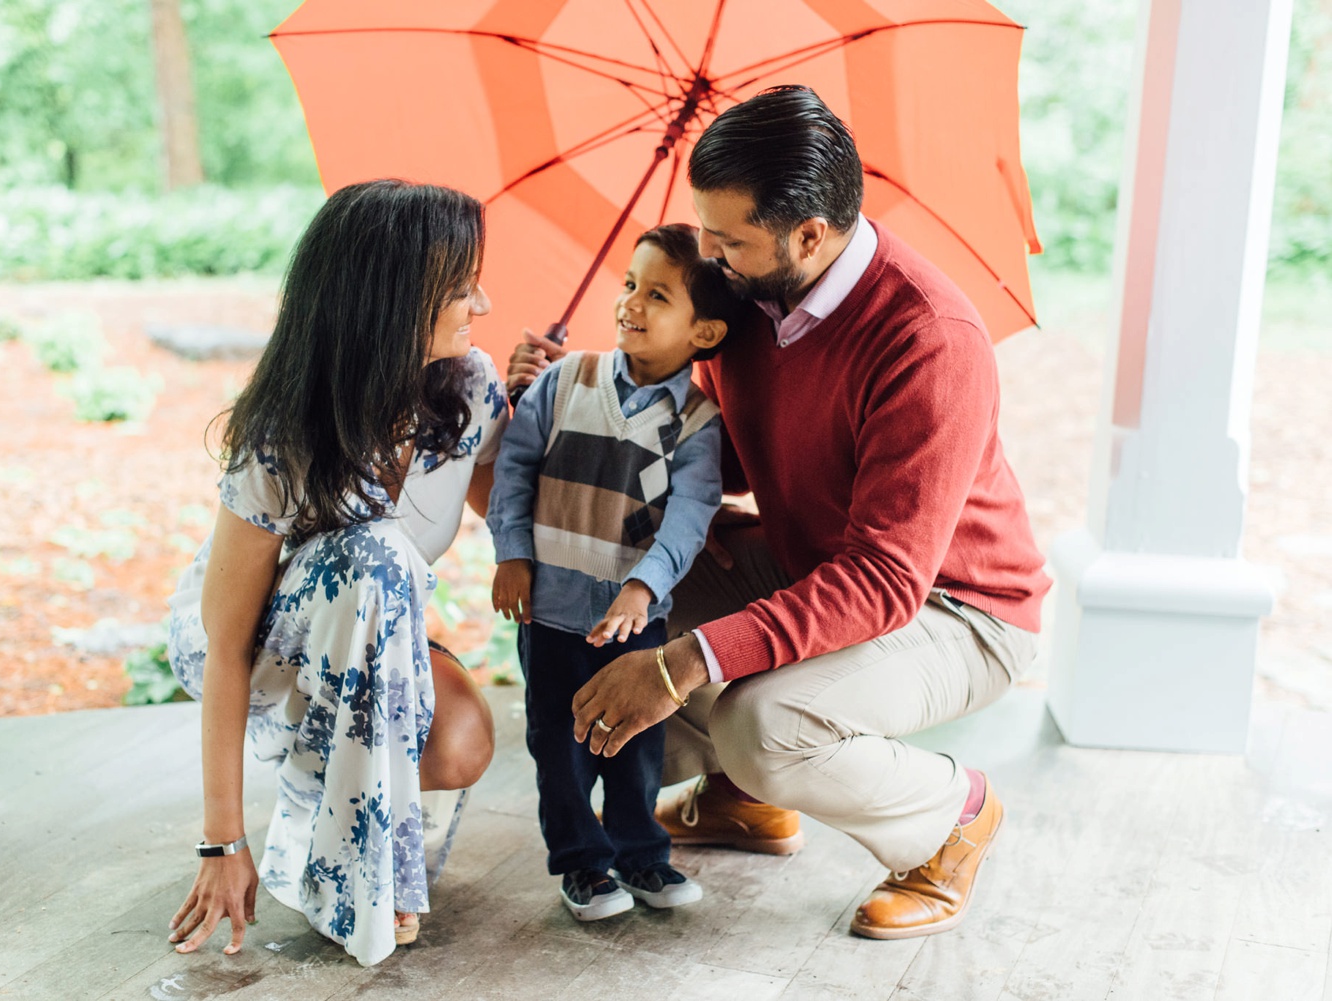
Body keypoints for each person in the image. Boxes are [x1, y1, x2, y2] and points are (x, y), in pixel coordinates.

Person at [507, 85, 1051, 940]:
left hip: (955, 606)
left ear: (809, 235)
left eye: (730, 241)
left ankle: (951, 820)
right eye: (707, 233)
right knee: (594, 609)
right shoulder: (748, 299)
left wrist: (685, 661)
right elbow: (702, 459)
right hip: (806, 559)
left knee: (761, 722)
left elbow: (882, 579)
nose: (710, 258)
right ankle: (744, 798)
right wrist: (568, 401)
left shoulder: (929, 336)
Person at [164, 179, 510, 966]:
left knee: (457, 743)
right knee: (377, 550)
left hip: (370, 632)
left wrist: (556, 392)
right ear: (395, 300)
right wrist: (220, 840)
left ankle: (327, 810)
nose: (482, 302)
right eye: (462, 287)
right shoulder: (286, 429)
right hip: (254, 645)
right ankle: (353, 869)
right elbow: (224, 646)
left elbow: (514, 504)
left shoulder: (472, 388)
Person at [487, 224, 741, 921]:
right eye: (630, 283)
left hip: (634, 624)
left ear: (706, 333)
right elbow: (514, 469)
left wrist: (644, 585)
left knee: (634, 744)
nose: (630, 302)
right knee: (558, 745)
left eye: (657, 294)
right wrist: (512, 551)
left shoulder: (696, 424)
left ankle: (641, 854)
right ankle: (582, 865)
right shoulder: (565, 382)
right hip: (552, 611)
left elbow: (690, 517)